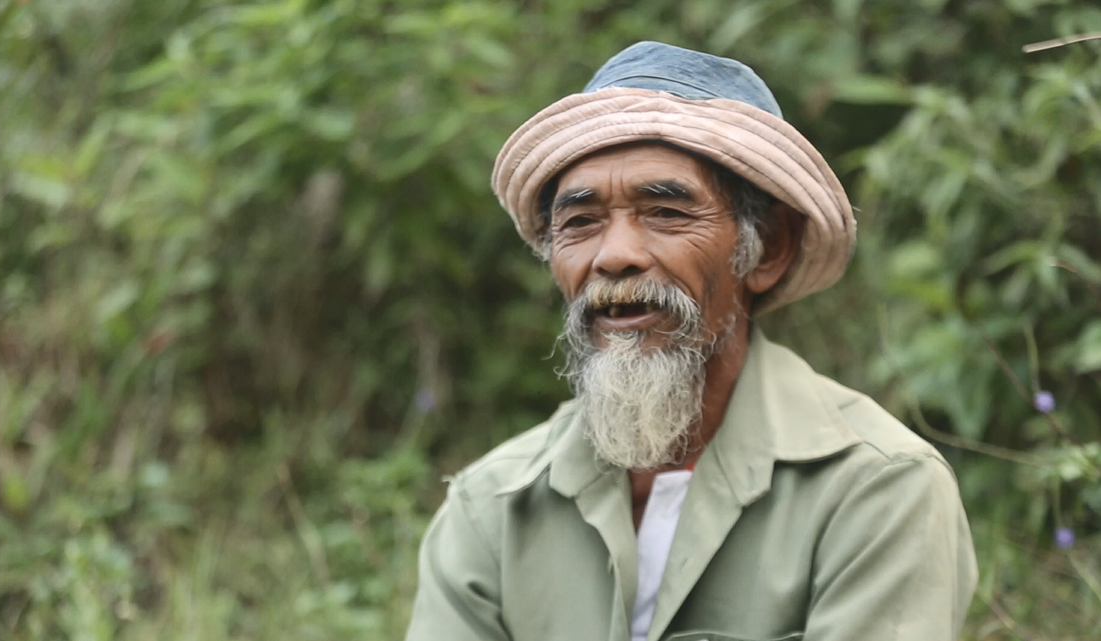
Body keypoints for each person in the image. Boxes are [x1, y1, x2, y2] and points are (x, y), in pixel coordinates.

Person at [406, 41, 978, 641]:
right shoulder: (492, 507)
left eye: (666, 213)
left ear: (767, 250)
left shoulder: (879, 490)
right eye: (580, 222)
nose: (615, 256)